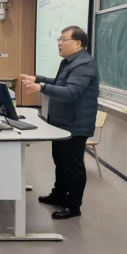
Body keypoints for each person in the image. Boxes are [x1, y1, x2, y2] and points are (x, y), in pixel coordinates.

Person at [22, 26, 99, 220]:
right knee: (61, 162)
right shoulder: (70, 61)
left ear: (78, 43)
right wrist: (38, 79)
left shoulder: (84, 64)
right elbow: (60, 83)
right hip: (62, 124)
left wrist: (41, 87)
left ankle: (73, 206)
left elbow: (72, 92)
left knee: (73, 166)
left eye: (64, 39)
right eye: (59, 39)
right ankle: (58, 195)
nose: (59, 43)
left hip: (75, 126)